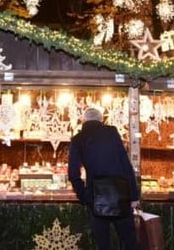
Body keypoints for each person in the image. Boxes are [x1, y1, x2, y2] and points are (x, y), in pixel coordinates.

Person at [68, 107, 139, 250]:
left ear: (83, 120)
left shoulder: (77, 139)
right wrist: (134, 195)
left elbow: (73, 173)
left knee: (103, 244)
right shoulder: (112, 132)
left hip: (95, 197)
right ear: (101, 119)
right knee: (129, 242)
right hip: (120, 194)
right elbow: (125, 163)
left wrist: (84, 195)